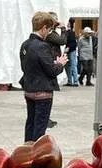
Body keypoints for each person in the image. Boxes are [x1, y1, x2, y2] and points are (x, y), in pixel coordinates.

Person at [20, 11, 68, 142]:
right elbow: (52, 71)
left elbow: (27, 66)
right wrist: (60, 64)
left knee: (30, 122)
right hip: (42, 92)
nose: (49, 32)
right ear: (43, 28)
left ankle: (26, 150)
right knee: (40, 126)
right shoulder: (42, 46)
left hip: (29, 89)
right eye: (49, 29)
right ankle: (36, 154)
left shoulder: (25, 45)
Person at [65, 20, 78, 87]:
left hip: (71, 51)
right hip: (67, 51)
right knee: (67, 66)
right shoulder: (66, 32)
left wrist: (68, 48)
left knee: (73, 66)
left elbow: (74, 43)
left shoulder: (72, 32)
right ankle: (70, 81)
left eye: (68, 23)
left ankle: (76, 82)